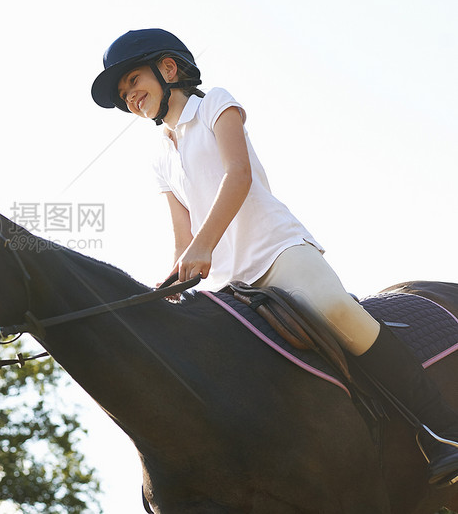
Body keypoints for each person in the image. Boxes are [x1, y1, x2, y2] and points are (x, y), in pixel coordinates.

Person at [91, 28, 458, 486]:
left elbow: (237, 174)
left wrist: (202, 247)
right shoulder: (158, 157)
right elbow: (182, 234)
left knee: (337, 310)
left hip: (278, 253)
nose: (129, 96)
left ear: (168, 69)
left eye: (133, 81)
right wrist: (172, 283)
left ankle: (443, 429)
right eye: (122, 93)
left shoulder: (214, 105)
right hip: (230, 285)